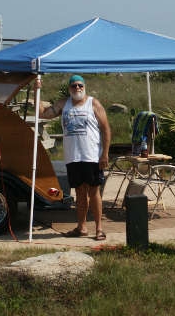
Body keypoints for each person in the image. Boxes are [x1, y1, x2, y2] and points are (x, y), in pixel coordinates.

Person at [37, 74, 111, 241]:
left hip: (91, 156)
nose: (77, 88)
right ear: (69, 88)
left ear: (84, 87)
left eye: (80, 85)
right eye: (73, 86)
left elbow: (106, 129)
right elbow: (44, 114)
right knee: (79, 192)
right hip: (73, 157)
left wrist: (104, 154)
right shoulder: (64, 104)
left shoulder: (94, 103)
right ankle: (81, 227)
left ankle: (99, 229)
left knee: (94, 192)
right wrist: (37, 91)